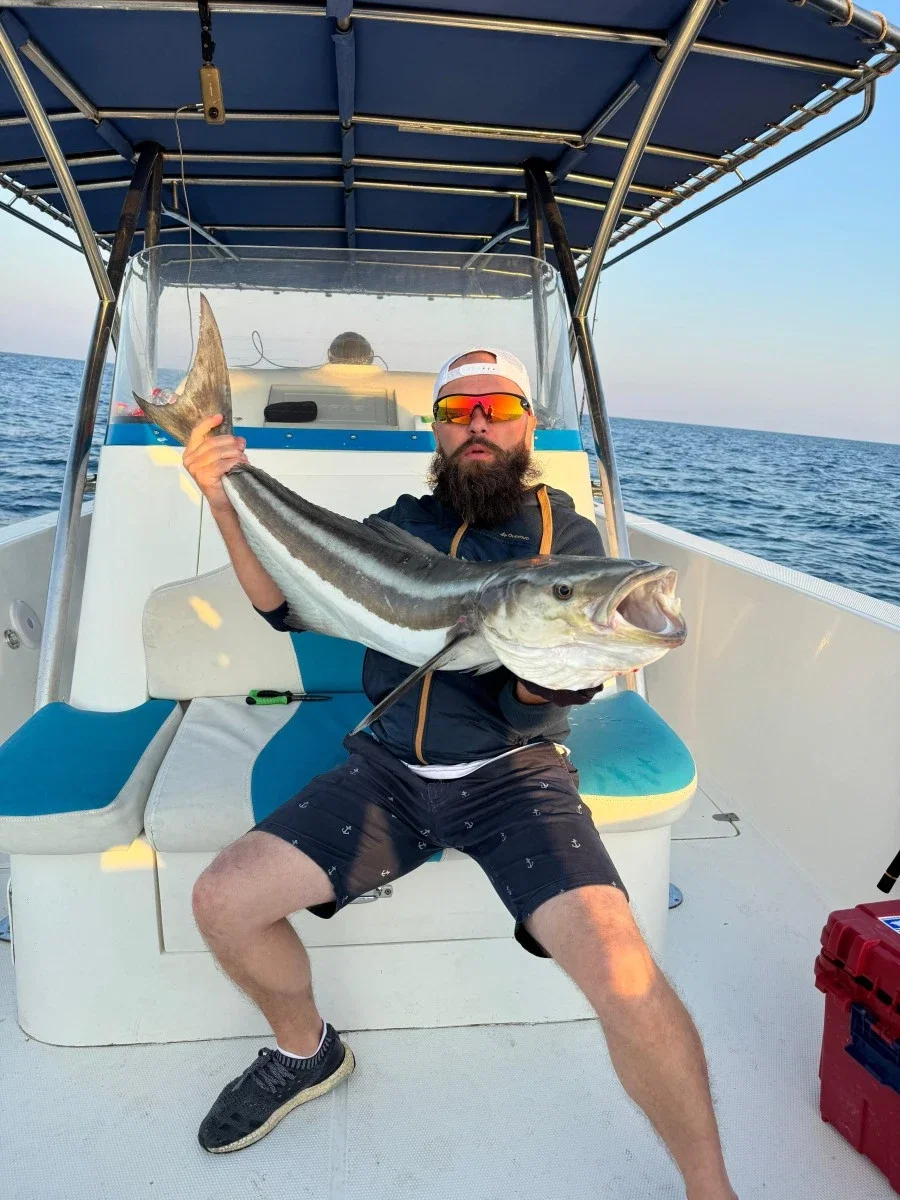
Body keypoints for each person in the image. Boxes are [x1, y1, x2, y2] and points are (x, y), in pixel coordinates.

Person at [184, 348, 737, 1200]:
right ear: (436, 430)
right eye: (458, 410)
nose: (479, 424)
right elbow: (283, 604)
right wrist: (224, 496)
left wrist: (553, 668)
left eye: (499, 407)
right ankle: (306, 1051)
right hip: (388, 772)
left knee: (626, 973)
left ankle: (710, 1189)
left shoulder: (564, 540)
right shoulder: (396, 527)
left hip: (515, 777)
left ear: (528, 426)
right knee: (223, 900)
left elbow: (537, 685)